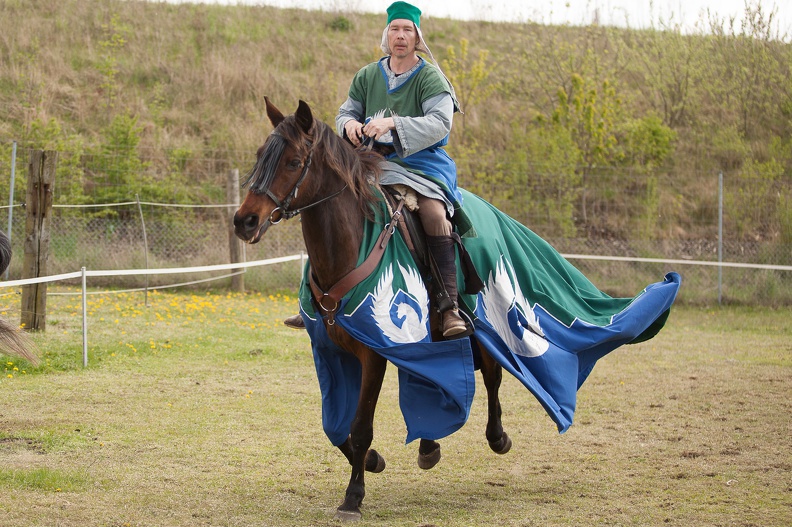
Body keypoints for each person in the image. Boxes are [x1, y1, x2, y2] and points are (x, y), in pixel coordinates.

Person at [286, 1, 470, 339]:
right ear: (386, 34)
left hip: (421, 165)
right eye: (395, 29)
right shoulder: (368, 75)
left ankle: (449, 308)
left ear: (417, 37)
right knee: (330, 203)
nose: (400, 36)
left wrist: (393, 123)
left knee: (432, 213)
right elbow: (344, 112)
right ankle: (313, 301)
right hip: (370, 163)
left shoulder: (431, 78)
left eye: (407, 30)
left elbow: (440, 124)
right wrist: (350, 125)